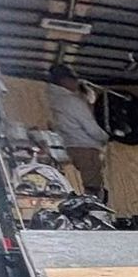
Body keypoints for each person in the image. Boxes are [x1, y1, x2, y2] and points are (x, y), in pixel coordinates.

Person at [45, 63, 111, 197]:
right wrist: (105, 137)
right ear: (64, 81)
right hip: (85, 147)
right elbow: (90, 127)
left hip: (70, 146)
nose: (76, 83)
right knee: (93, 189)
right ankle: (95, 213)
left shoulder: (54, 99)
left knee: (87, 186)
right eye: (74, 79)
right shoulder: (72, 101)